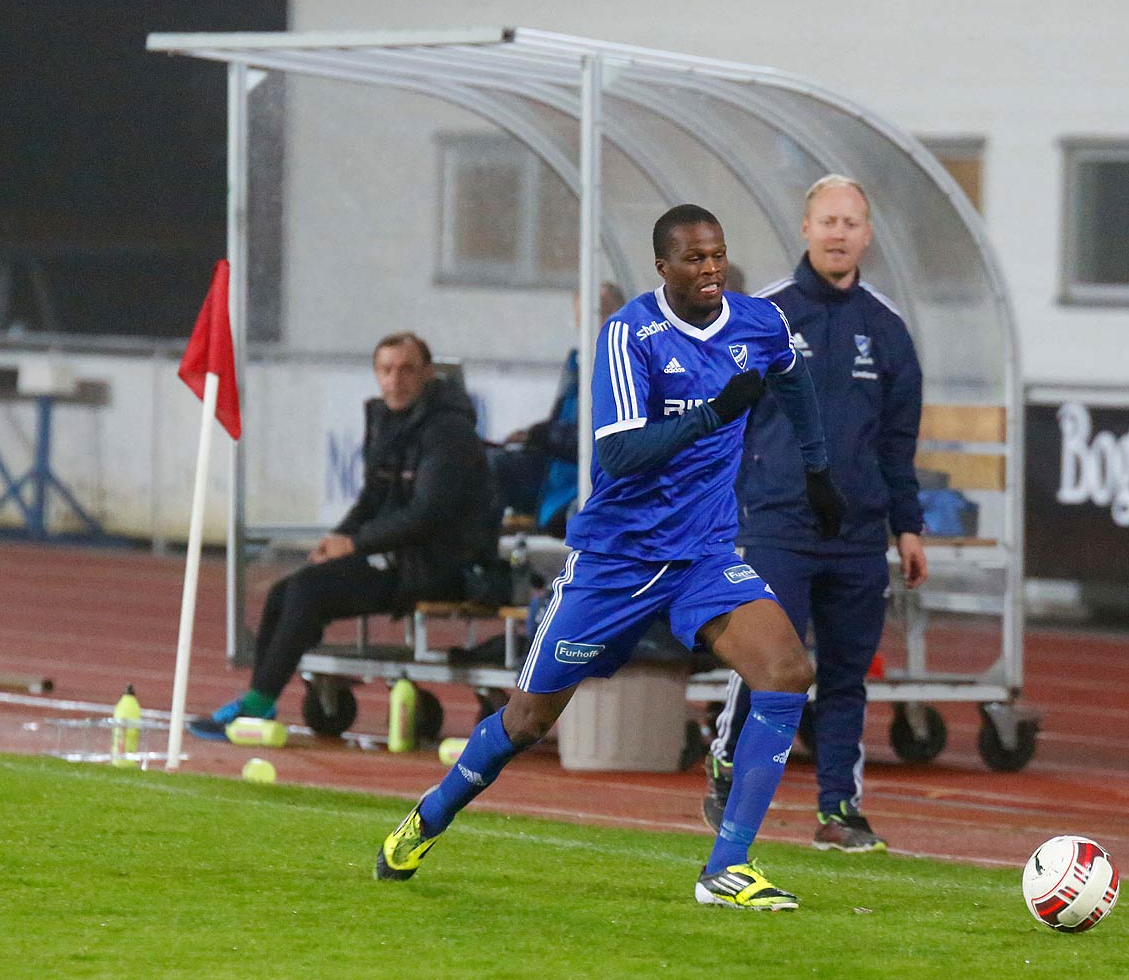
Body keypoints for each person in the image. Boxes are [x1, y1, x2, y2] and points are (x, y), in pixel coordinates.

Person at [375, 204, 846, 909]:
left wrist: (816, 469)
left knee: (787, 671)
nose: (710, 267)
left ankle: (727, 867)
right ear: (664, 267)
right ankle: (427, 818)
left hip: (703, 556)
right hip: (616, 562)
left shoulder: (761, 322)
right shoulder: (632, 334)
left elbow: (793, 384)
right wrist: (717, 411)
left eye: (717, 254)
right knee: (528, 722)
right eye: (694, 258)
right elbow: (619, 454)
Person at [705, 175, 926, 852]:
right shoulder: (761, 315)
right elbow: (719, 420)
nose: (838, 233)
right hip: (776, 527)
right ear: (804, 229)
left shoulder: (886, 330)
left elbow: (897, 441)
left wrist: (908, 526)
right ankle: (729, 763)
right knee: (770, 664)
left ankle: (839, 809)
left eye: (851, 223)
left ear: (867, 235)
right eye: (827, 221)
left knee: (844, 678)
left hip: (858, 537)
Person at [188, 332, 498, 740]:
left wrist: (354, 544)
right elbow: (373, 498)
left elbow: (428, 514)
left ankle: (258, 706)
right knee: (285, 591)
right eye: (385, 370)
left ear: (426, 373)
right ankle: (257, 701)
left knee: (307, 594)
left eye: (406, 369)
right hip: (396, 556)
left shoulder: (448, 432)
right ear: (375, 374)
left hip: (442, 564)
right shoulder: (388, 421)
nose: (395, 379)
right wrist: (338, 538)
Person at [491, 284, 626, 534]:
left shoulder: (627, 364)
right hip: (556, 471)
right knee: (487, 464)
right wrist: (536, 433)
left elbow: (607, 438)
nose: (594, 322)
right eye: (584, 316)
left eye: (603, 312)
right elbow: (562, 421)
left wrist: (546, 435)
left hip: (585, 480)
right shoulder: (578, 363)